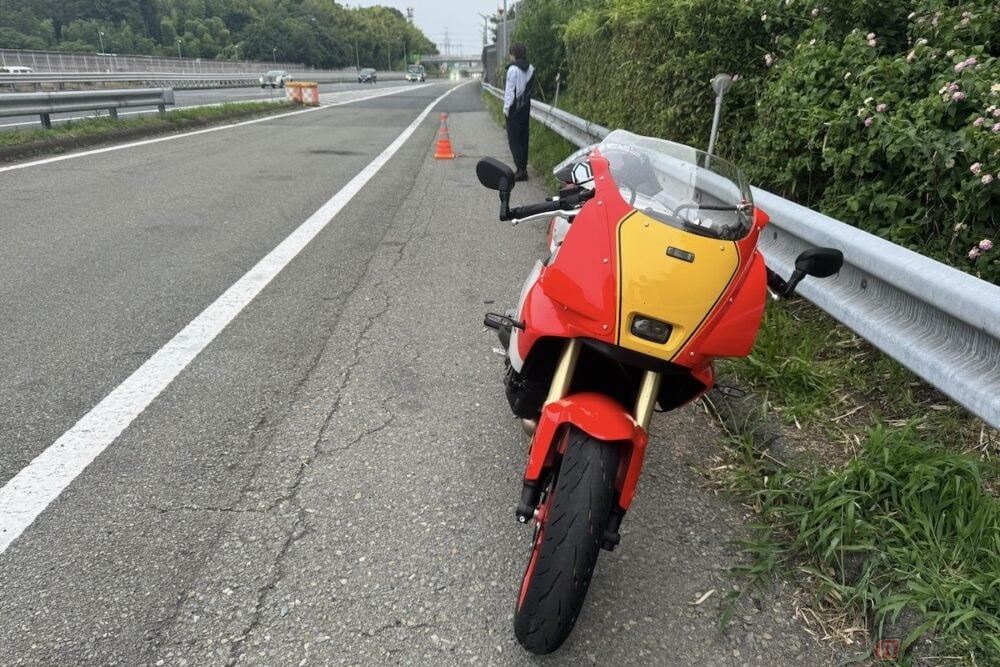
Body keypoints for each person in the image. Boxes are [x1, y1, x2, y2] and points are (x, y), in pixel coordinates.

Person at [502, 43, 535, 181]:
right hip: (525, 107)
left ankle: (520, 170)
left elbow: (510, 91)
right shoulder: (531, 69)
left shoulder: (513, 70)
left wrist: (506, 109)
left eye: (510, 54)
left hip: (514, 108)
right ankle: (524, 168)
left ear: (514, 54)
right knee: (523, 138)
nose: (510, 57)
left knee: (514, 140)